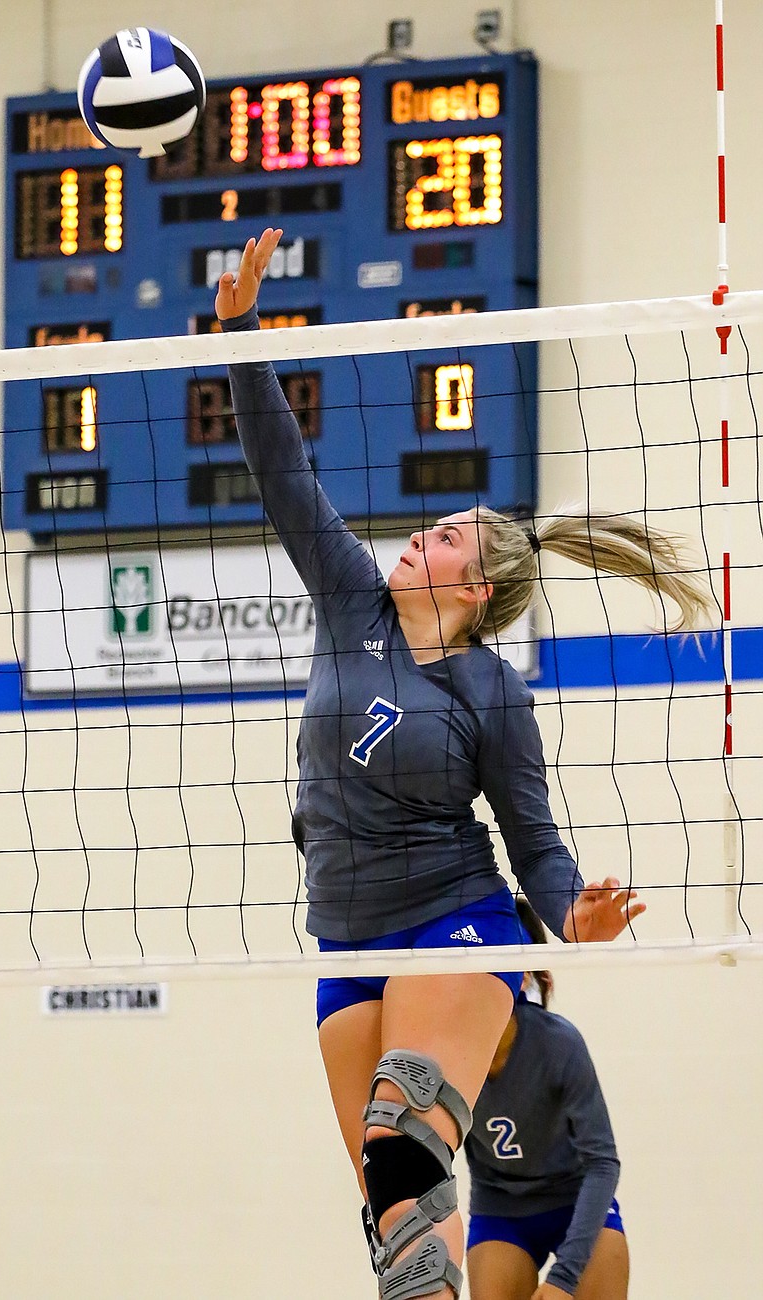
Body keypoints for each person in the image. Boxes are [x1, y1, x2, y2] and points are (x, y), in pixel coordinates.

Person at [215, 229, 711, 1300]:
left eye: (441, 538)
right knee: (398, 1231)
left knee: (402, 1126)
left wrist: (568, 915)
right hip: (341, 937)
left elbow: (530, 839)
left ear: (477, 586)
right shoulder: (350, 602)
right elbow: (280, 469)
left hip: (455, 922)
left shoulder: (492, 690)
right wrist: (242, 328)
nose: (413, 541)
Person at [465, 900, 629, 1300]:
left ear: (523, 976)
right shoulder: (445, 1056)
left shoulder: (558, 1043)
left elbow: (603, 1162)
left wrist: (564, 1279)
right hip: (501, 1210)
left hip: (575, 1200)